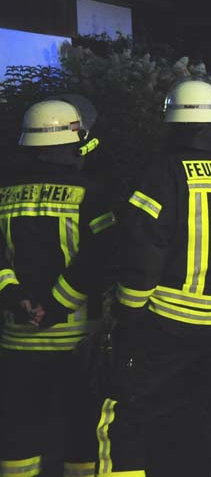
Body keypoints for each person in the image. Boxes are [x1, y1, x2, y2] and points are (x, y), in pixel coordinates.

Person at [95, 77, 211, 476]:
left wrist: (129, 314)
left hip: (168, 321)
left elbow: (143, 249)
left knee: (127, 409)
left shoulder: (164, 173)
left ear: (173, 124)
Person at [0, 99, 115, 477]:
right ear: (72, 140)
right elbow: (101, 258)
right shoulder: (91, 191)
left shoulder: (3, 191)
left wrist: (16, 299)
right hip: (75, 339)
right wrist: (55, 304)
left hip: (15, 338)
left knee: (18, 435)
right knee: (81, 432)